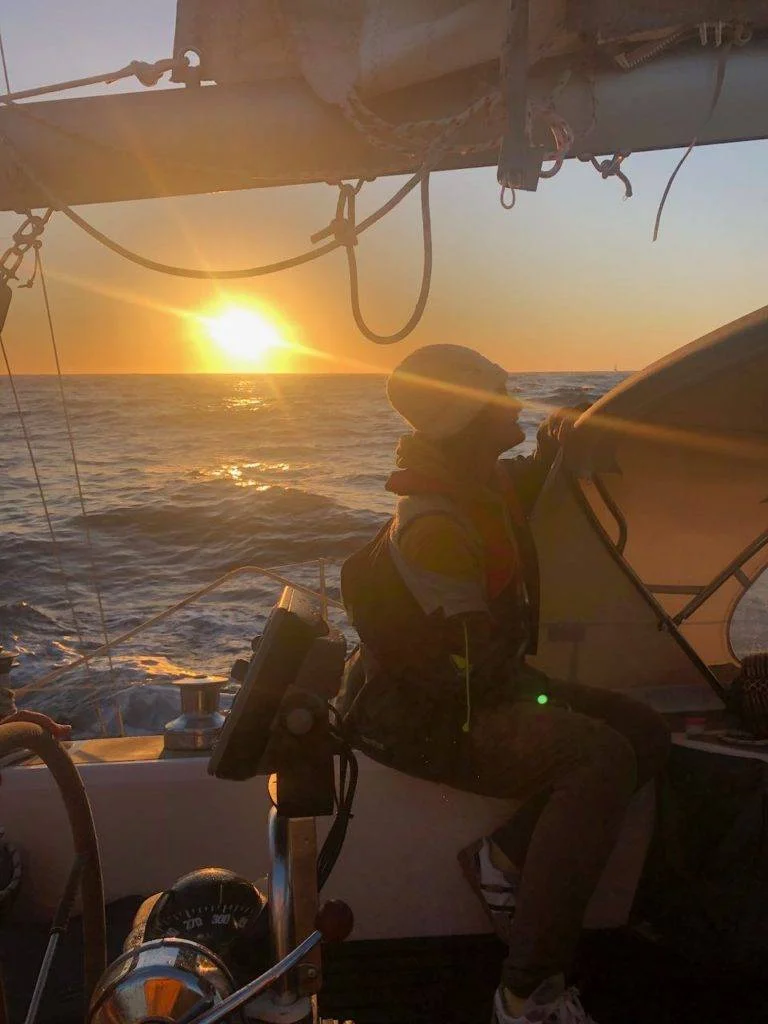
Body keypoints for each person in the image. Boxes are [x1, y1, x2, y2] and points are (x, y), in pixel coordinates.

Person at [335, 344, 669, 1024]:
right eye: (501, 393)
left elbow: (527, 474)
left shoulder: (476, 481)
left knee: (644, 730)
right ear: (466, 415)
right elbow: (474, 675)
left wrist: (560, 437)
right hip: (423, 717)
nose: (516, 400)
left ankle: (505, 863)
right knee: (598, 756)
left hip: (460, 690)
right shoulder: (435, 526)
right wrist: (546, 703)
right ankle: (527, 994)